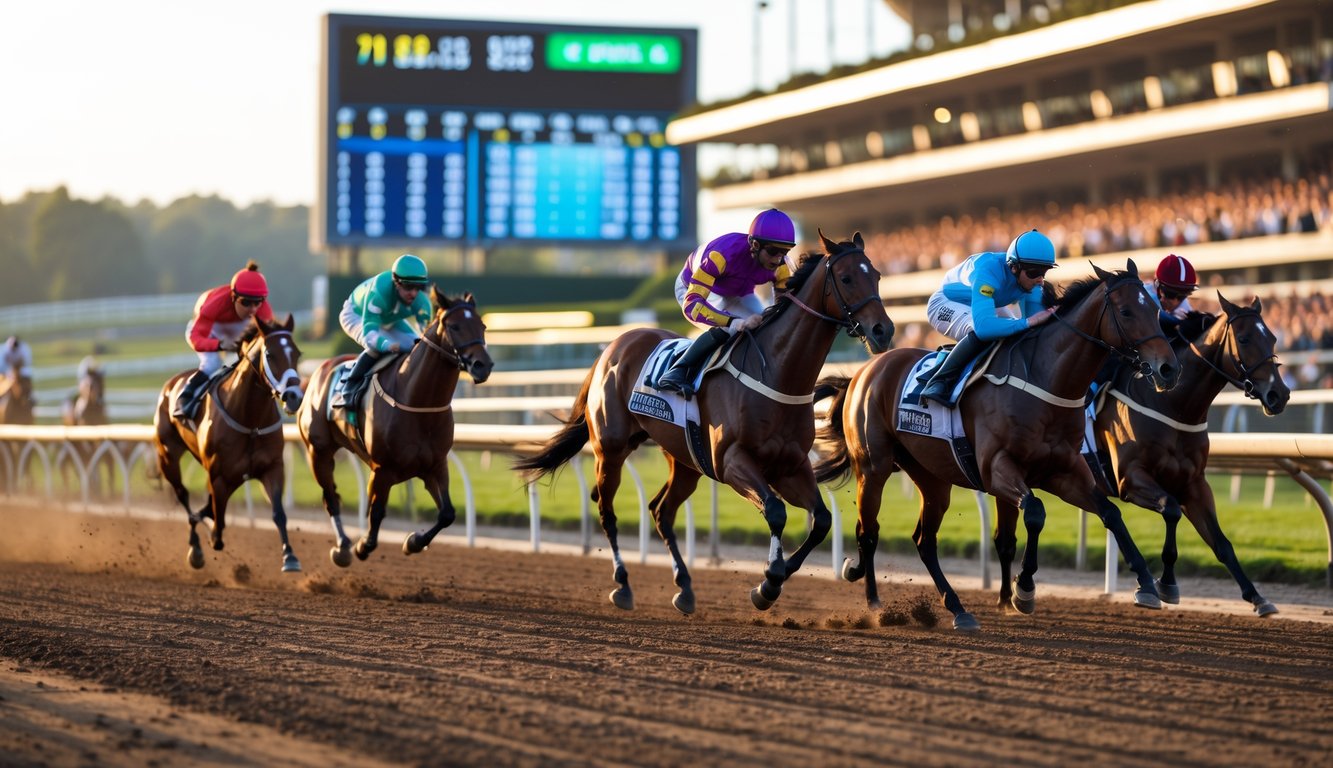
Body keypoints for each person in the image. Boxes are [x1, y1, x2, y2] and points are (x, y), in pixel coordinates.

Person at [656, 208, 796, 398]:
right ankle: (677, 370)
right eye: (772, 251)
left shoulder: (781, 266)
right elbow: (692, 307)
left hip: (739, 293)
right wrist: (732, 322)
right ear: (755, 244)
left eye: (784, 251)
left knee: (765, 324)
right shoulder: (721, 255)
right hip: (696, 291)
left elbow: (783, 309)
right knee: (731, 328)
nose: (778, 259)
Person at [918, 229, 1058, 407]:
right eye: (1033, 273)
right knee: (984, 331)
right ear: (1014, 267)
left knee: (1017, 332)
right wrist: (1028, 322)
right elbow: (984, 328)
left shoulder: (1033, 282)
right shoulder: (988, 271)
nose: (1040, 280)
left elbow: (1035, 330)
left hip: (985, 303)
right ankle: (938, 381)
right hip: (945, 303)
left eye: (1044, 272)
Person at [332, 253, 433, 419]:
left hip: (389, 319)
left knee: (417, 347)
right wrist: (386, 344)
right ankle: (348, 390)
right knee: (376, 347)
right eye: (408, 287)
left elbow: (427, 339)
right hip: (357, 315)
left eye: (419, 288)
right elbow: (370, 333)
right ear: (396, 282)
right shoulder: (379, 292)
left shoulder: (422, 303)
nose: (414, 294)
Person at [173, 261, 274, 420]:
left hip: (240, 330)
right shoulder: (214, 304)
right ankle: (185, 398)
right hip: (211, 330)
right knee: (213, 364)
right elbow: (196, 337)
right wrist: (218, 345)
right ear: (233, 297)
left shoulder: (264, 311)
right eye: (246, 302)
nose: (253, 309)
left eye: (258, 302)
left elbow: (271, 341)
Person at [1150, 253, 1197, 335]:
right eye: (1170, 294)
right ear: (1156, 285)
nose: (1175, 302)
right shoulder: (1141, 296)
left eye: (1182, 297)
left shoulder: (1186, 310)